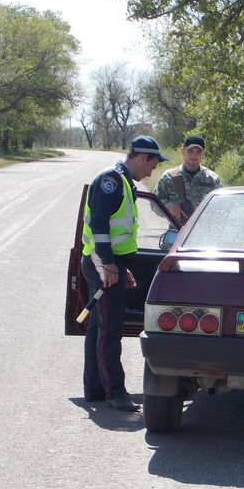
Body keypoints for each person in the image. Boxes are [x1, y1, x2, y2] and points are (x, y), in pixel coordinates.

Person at [81, 135, 169, 412]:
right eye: (152, 165)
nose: (152, 171)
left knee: (98, 327)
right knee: (110, 330)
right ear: (143, 157)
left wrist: (121, 266)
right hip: (101, 262)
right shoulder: (110, 181)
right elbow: (98, 224)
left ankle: (95, 389)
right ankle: (115, 393)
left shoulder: (123, 183)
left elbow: (119, 233)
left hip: (109, 262)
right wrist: (108, 264)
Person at [153, 135, 222, 222]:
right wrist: (169, 206)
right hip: (177, 231)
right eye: (190, 151)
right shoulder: (169, 177)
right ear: (183, 151)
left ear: (203, 153)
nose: (194, 155)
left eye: (198, 152)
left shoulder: (212, 179)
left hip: (204, 232)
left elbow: (222, 207)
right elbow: (154, 204)